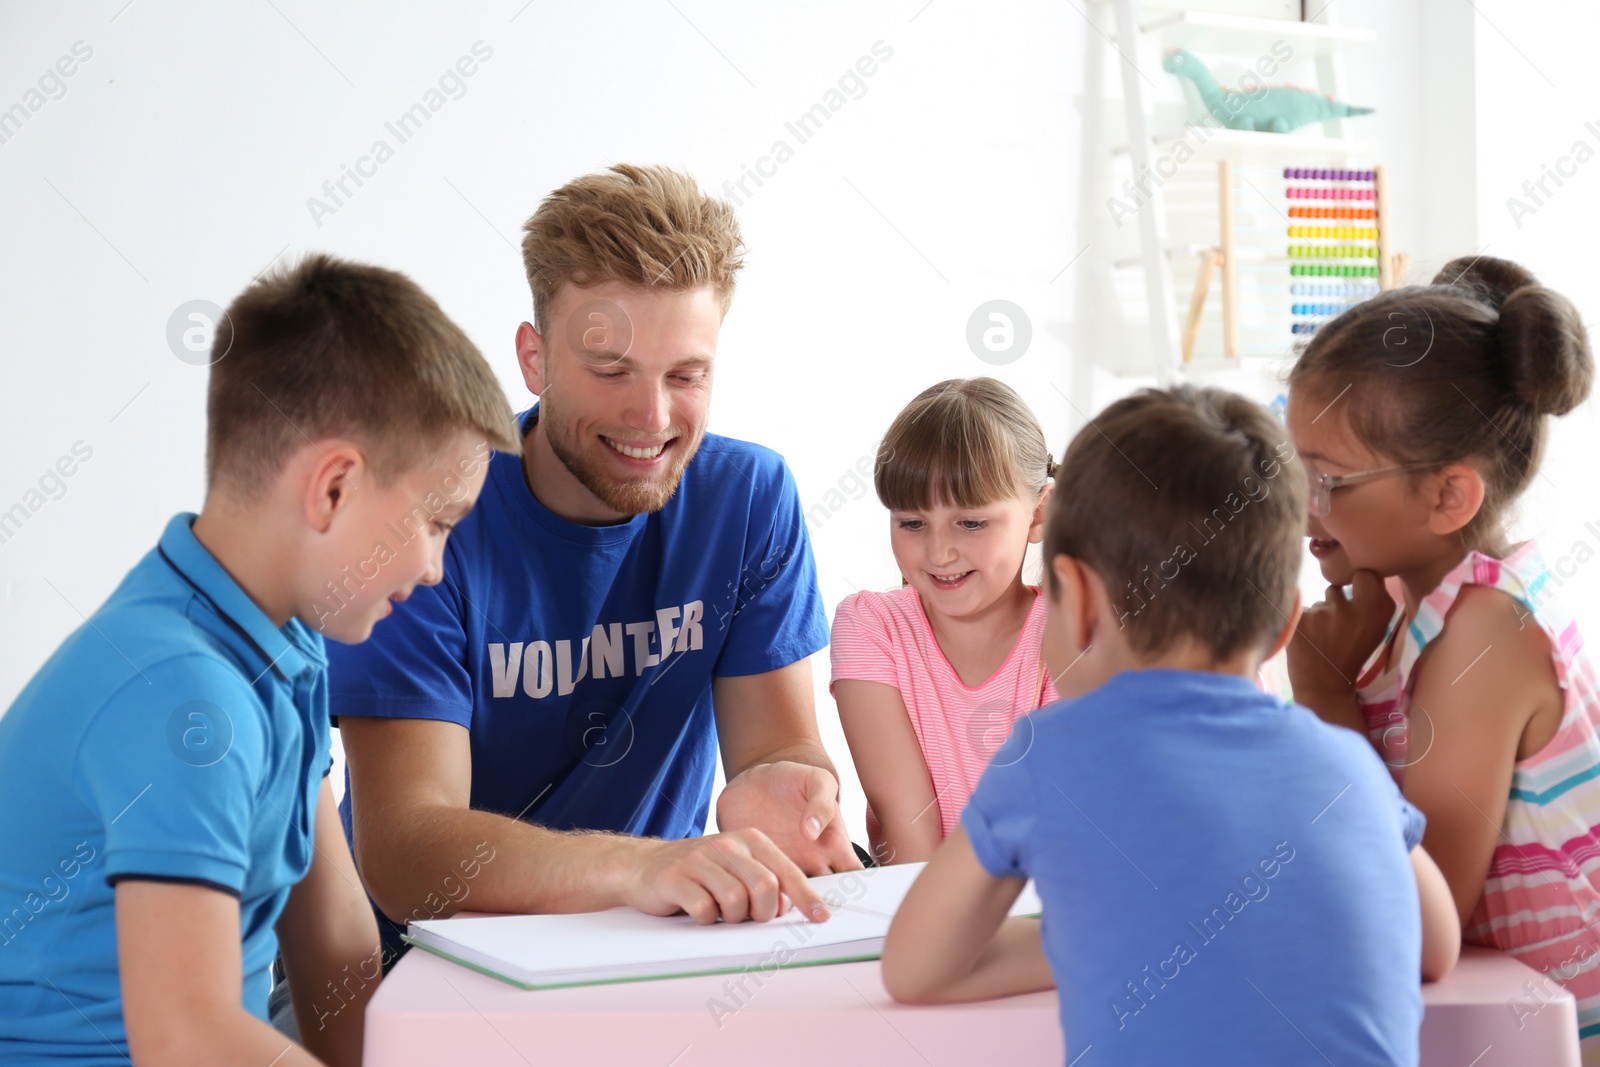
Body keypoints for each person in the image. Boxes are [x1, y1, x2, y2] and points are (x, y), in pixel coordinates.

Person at [330, 164, 858, 969]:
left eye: (687, 375)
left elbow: (778, 746)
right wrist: (639, 865)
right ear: (534, 360)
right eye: (611, 371)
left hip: (646, 949)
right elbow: (407, 853)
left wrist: (785, 784)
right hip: (417, 969)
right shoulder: (428, 518)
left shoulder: (748, 498)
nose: (652, 418)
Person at [0, 254, 517, 1065]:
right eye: (437, 523)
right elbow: (189, 1037)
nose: (435, 568)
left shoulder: (284, 644)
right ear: (333, 488)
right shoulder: (181, 693)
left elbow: (334, 935)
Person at [882, 384, 1459, 1066]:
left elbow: (915, 971)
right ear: (1284, 625)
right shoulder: (1347, 765)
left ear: (1081, 598)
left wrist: (1108, 933)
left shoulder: (1047, 759)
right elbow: (1436, 945)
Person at [1284, 255, 1600, 1057]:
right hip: (1486, 1013)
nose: (1302, 505)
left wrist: (1325, 695)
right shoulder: (1411, 603)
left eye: (1329, 479)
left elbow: (1414, 926)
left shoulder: (1483, 634)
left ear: (1449, 496)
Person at [832, 378, 1058, 864]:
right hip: (918, 907)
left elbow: (1061, 832)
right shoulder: (870, 626)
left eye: (971, 522)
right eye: (911, 523)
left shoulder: (1074, 631)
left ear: (1039, 513)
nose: (939, 552)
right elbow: (909, 836)